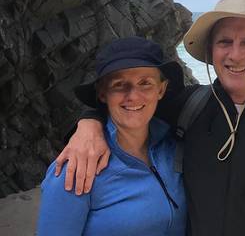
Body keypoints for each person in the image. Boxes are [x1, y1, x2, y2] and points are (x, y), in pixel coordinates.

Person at [59, 0, 245, 236]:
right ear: (210, 50)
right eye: (225, 42)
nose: (235, 54)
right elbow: (126, 105)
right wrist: (88, 125)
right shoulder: (189, 107)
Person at [37, 37, 188, 235]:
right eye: (119, 84)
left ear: (161, 89)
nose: (133, 95)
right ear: (102, 93)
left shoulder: (175, 146)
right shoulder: (77, 168)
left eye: (145, 83)